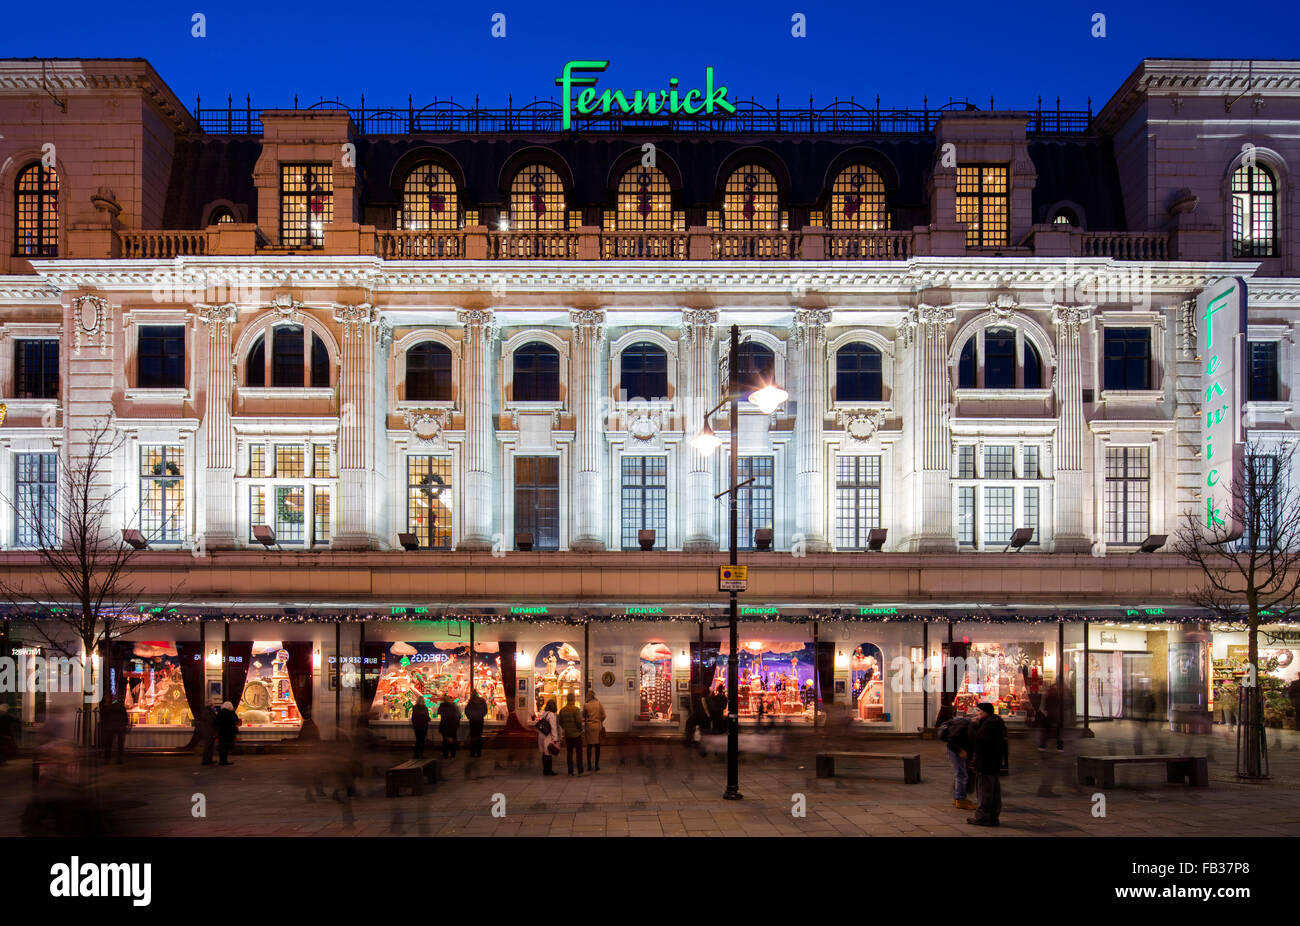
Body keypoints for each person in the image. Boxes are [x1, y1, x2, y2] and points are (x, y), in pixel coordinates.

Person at [968, 702, 1006, 827]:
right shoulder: (997, 722)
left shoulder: (988, 725)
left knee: (985, 791)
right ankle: (993, 817)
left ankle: (983, 818)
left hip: (985, 762)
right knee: (994, 791)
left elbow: (978, 741)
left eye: (979, 711)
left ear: (985, 712)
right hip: (994, 762)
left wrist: (973, 726)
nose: (977, 714)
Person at [938, 711, 977, 811]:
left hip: (961, 750)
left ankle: (959, 797)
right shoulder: (965, 725)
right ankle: (960, 799)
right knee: (961, 774)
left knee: (962, 774)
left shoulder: (970, 725)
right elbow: (952, 739)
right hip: (956, 750)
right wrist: (960, 750)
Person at [558, 692, 585, 775]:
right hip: (576, 734)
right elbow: (578, 722)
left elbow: (560, 722)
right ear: (573, 699)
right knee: (579, 752)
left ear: (567, 699)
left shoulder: (562, 710)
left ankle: (570, 770)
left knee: (569, 753)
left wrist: (565, 728)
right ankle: (580, 770)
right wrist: (580, 730)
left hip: (567, 734)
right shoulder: (576, 709)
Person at [533, 699, 559, 776]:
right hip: (548, 736)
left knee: (544, 753)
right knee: (548, 753)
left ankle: (545, 770)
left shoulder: (544, 713)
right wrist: (555, 738)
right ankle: (549, 770)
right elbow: (553, 727)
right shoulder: (551, 715)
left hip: (541, 734)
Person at [583, 689, 606, 772]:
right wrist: (600, 721)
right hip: (597, 727)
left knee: (589, 746)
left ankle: (589, 765)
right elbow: (604, 715)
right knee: (597, 746)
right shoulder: (598, 704)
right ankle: (596, 765)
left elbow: (583, 717)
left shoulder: (586, 705)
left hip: (589, 727)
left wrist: (586, 721)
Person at [100, 696, 128, 764]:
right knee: (120, 743)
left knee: (108, 743)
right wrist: (125, 725)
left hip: (110, 727)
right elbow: (125, 718)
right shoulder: (122, 707)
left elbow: (104, 718)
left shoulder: (108, 708)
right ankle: (120, 758)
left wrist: (104, 726)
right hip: (120, 727)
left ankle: (107, 758)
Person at [1039, 680, 1064, 752]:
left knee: (1046, 731)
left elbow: (1043, 705)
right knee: (1058, 732)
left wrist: (1045, 713)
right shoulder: (1057, 694)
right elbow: (1059, 705)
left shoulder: (1047, 694)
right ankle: (1060, 747)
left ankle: (1042, 746)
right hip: (1055, 714)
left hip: (1049, 714)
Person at [464, 689, 488, 758]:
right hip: (479, 721)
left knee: (473, 736)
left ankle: (473, 752)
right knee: (479, 736)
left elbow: (467, 711)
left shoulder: (470, 702)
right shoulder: (482, 701)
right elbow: (485, 710)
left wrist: (470, 717)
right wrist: (480, 716)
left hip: (473, 721)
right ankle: (479, 752)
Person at [215, 701, 241, 766]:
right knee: (226, 747)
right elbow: (235, 720)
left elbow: (216, 722)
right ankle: (224, 760)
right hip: (228, 732)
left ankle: (221, 760)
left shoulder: (220, 713)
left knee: (222, 746)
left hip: (221, 732)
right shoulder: (230, 713)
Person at [437, 692, 462, 758]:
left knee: (445, 740)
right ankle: (452, 753)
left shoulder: (441, 706)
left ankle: (445, 754)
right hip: (452, 725)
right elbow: (458, 715)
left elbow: (439, 713)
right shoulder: (453, 707)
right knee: (452, 739)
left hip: (444, 725)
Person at [194, 701, 218, 766]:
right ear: (210, 705)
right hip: (209, 732)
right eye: (213, 705)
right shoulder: (207, 713)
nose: (214, 706)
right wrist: (213, 732)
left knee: (209, 746)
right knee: (208, 746)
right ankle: (206, 760)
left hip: (208, 731)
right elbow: (210, 723)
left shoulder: (207, 712)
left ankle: (209, 760)